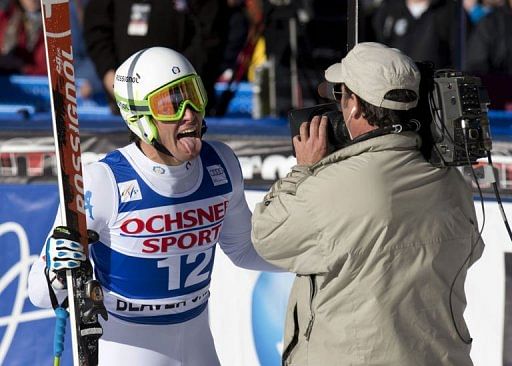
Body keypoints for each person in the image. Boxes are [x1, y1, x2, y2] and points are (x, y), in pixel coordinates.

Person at [27, 47, 279, 366]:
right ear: (140, 118)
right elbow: (39, 294)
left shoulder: (222, 164)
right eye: (172, 104)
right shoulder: (102, 182)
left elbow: (244, 249)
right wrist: (57, 269)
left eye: (193, 95)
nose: (189, 112)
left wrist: (318, 258)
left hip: (198, 342)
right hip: (128, 348)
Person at [251, 42, 484, 365]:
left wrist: (304, 170)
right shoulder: (451, 182)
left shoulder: (328, 188)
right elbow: (473, 249)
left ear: (355, 107)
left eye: (341, 95)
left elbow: (265, 236)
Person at [82, 0, 228, 115]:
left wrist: (176, 87)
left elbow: (211, 36)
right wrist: (110, 75)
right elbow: (96, 29)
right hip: (128, 104)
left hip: (184, 101)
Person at [371, 0, 466, 69]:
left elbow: (460, 53)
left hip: (435, 86)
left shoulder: (449, 10)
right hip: (396, 86)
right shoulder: (388, 9)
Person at [0, 0, 46, 75]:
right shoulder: (6, 15)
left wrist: (23, 68)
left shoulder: (53, 25)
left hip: (35, 82)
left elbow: (48, 68)